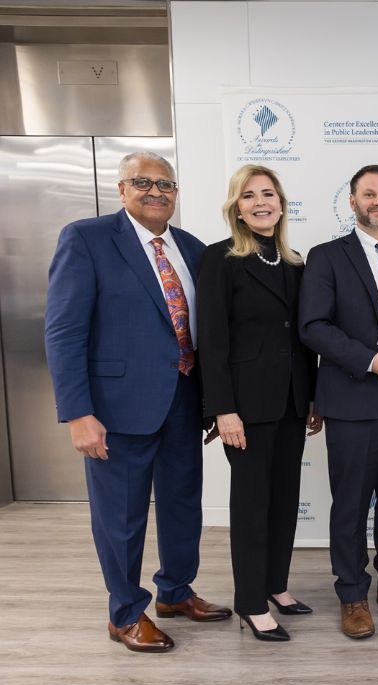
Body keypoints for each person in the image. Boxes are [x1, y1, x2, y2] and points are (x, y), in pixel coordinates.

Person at [44, 151, 231, 653]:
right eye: (143, 182)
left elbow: (203, 332)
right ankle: (125, 612)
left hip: (184, 402)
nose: (156, 192)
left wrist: (214, 402)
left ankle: (174, 591)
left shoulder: (191, 248)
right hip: (116, 408)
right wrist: (78, 412)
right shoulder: (87, 238)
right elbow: (63, 331)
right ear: (122, 188)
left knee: (181, 505)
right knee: (121, 515)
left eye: (166, 184)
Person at [298, 165, 378, 640]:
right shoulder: (327, 257)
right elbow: (313, 326)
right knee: (351, 504)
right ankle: (352, 592)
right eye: (369, 193)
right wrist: (371, 362)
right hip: (352, 399)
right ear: (352, 201)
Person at [197, 165, 321, 642]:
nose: (260, 202)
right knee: (251, 505)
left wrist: (312, 399)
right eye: (248, 196)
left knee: (285, 499)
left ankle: (276, 585)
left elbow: (304, 340)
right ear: (237, 207)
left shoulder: (295, 262)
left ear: (282, 203)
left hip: (292, 401)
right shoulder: (221, 259)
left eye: (268, 193)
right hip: (245, 407)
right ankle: (250, 601)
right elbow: (212, 341)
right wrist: (222, 408)